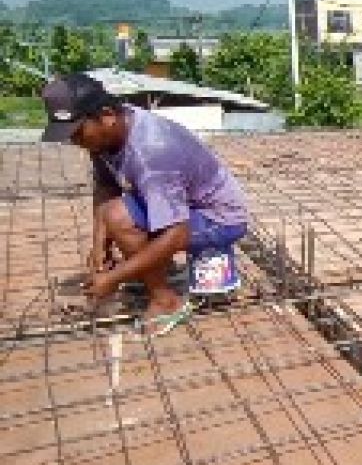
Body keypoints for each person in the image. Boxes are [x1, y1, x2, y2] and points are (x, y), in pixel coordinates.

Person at [41, 72, 249, 335]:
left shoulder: (152, 153)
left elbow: (177, 233)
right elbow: (106, 186)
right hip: (184, 205)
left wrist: (115, 278)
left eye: (77, 132)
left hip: (219, 219)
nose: (74, 141)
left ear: (106, 116)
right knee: (114, 212)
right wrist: (99, 248)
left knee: (120, 216)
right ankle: (160, 271)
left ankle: (167, 301)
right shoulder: (109, 133)